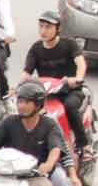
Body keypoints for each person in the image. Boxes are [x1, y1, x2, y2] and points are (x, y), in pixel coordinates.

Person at [19, 10, 93, 160]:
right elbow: (27, 72)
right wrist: (19, 87)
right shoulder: (36, 48)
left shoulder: (69, 44)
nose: (43, 31)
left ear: (58, 28)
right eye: (41, 26)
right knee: (24, 110)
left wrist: (77, 78)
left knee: (70, 107)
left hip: (70, 91)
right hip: (46, 93)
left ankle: (84, 146)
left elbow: (80, 63)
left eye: (48, 27)